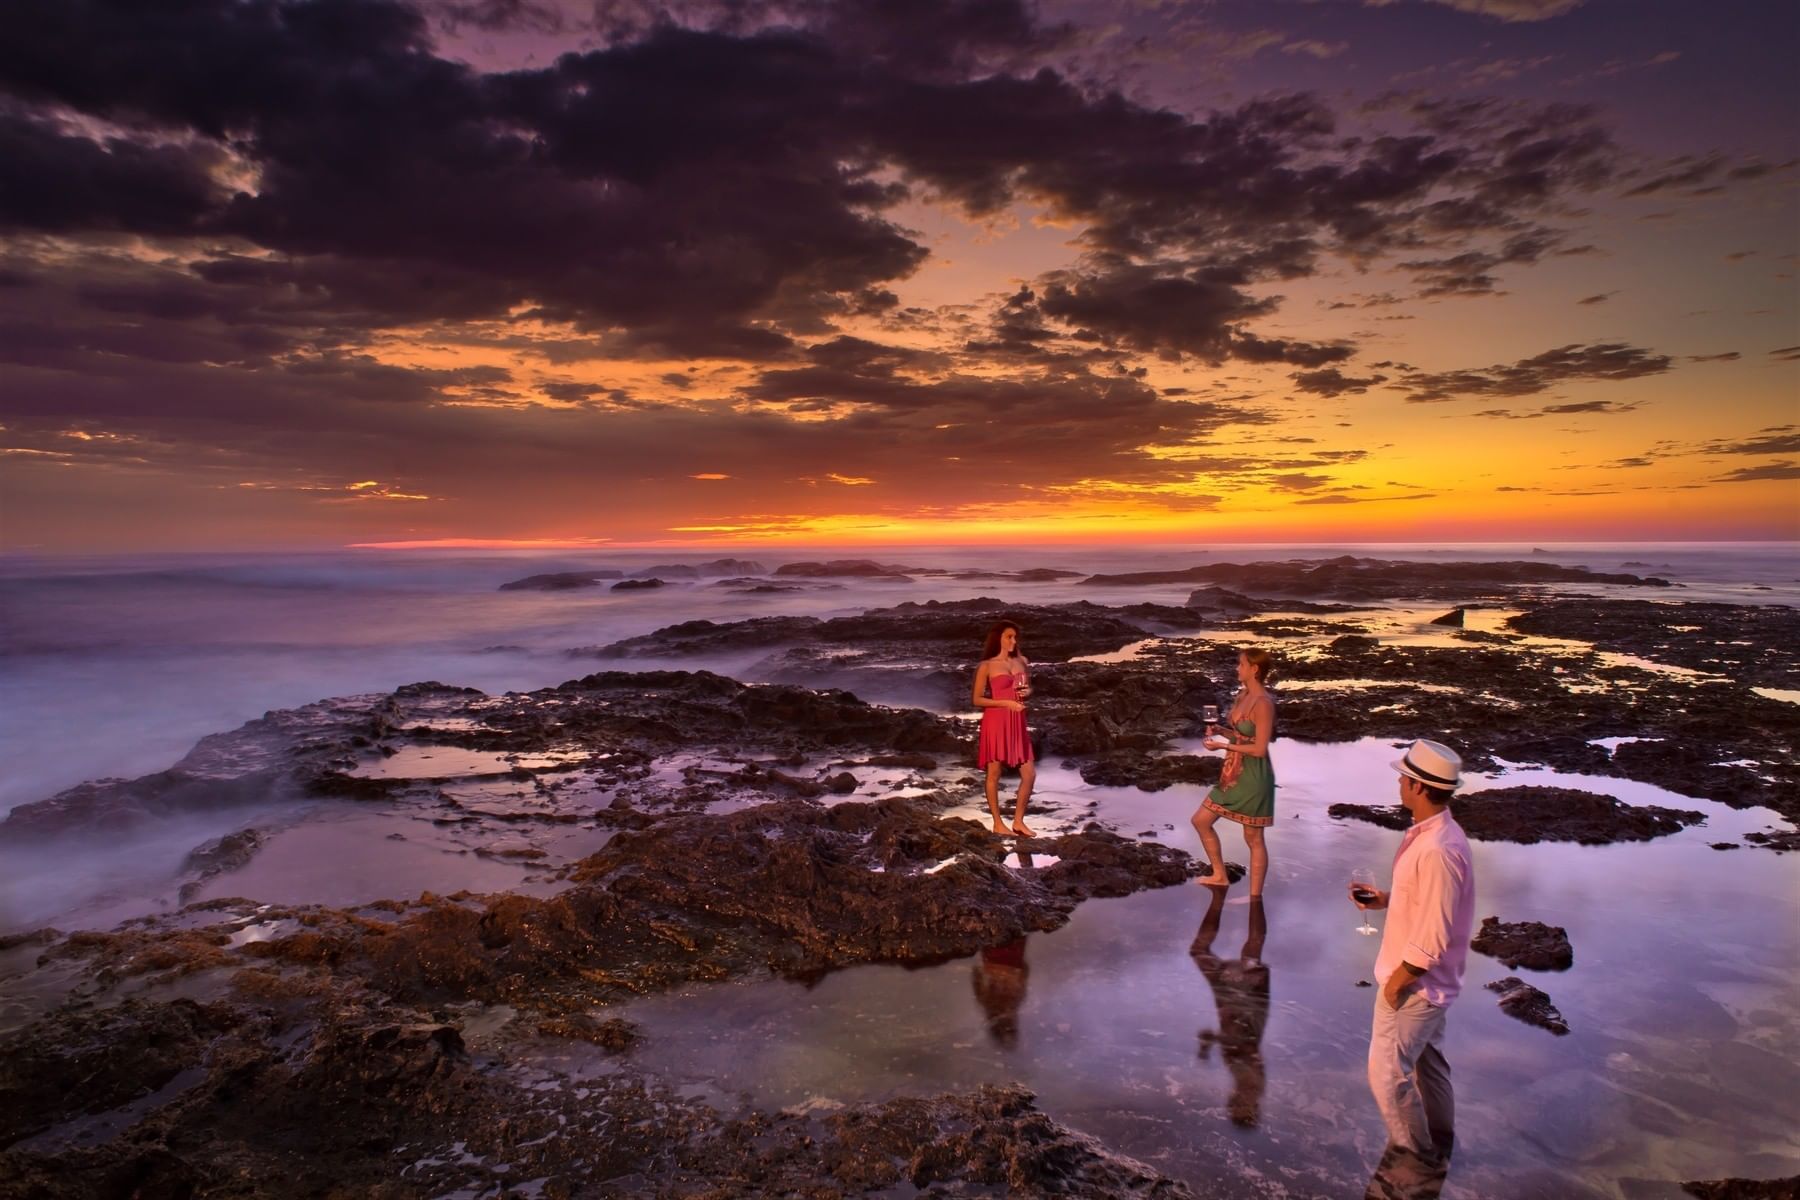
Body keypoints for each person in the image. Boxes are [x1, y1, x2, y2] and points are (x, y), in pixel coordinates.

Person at [1351, 739, 1475, 1198]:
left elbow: (1434, 937)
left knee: (1387, 1075)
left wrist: (1396, 984)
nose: (1399, 782)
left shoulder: (1438, 848)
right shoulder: (1432, 834)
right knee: (1429, 1066)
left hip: (1415, 985)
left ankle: (1414, 1160)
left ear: (1419, 786)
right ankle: (1440, 1146)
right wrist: (1385, 899)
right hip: (1431, 984)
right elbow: (1428, 906)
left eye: (1404, 777)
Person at [1194, 648, 1276, 894]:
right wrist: (1220, 730)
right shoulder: (1243, 695)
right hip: (1232, 774)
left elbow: (1260, 748)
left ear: (1254, 669)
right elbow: (1241, 735)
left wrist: (1222, 745)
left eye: (1241, 664)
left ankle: (1255, 897)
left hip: (1253, 776)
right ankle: (1220, 875)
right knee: (1201, 821)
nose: (1236, 668)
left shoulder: (1264, 704)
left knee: (1253, 838)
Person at [1192, 888, 1270, 1128]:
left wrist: (1213, 1042)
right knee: (1250, 951)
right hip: (1241, 1001)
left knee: (1249, 951)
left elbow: (1242, 1046)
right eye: (1237, 1107)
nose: (1232, 1103)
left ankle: (1227, 898)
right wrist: (1212, 1041)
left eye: (1233, 1106)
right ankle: (1243, 898)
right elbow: (1244, 1045)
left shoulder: (1250, 1084)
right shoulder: (1251, 1084)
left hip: (1238, 1003)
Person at [973, 620, 1036, 837]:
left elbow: (1027, 688)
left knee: (1029, 774)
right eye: (1009, 636)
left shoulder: (1022, 661)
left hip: (1018, 721)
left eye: (1015, 637)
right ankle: (998, 823)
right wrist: (1006, 703)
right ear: (998, 638)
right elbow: (977, 699)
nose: (1013, 641)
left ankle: (1018, 821)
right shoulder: (987, 666)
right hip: (996, 721)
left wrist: (1026, 693)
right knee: (994, 773)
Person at [972, 937, 1029, 1049]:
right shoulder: (1012, 1002)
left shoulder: (989, 1002)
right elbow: (976, 977)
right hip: (1008, 962)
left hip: (999, 962)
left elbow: (976, 977)